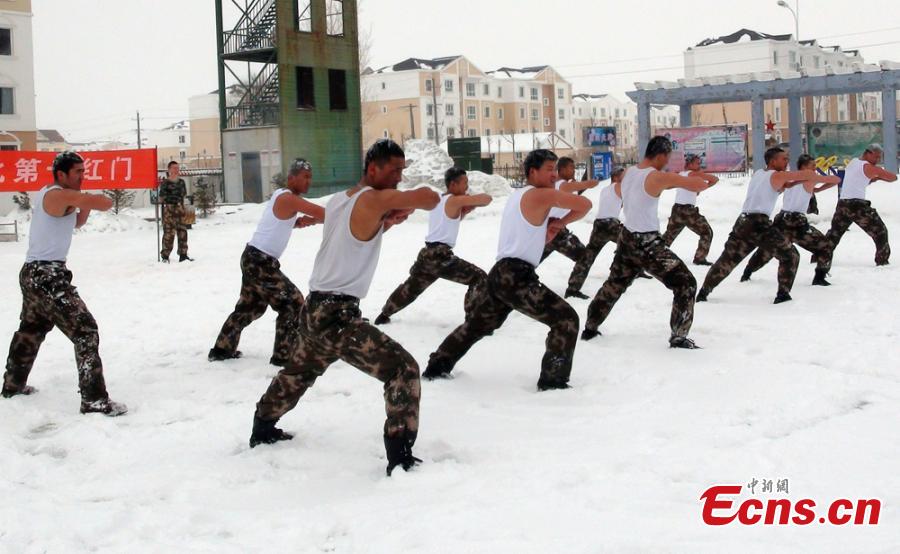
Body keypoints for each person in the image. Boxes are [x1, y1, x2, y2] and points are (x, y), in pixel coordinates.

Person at [249, 140, 440, 477]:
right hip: (336, 315)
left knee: (299, 373)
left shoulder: (341, 200)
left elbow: (357, 231)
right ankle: (400, 456)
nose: (398, 177)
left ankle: (263, 425)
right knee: (402, 370)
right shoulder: (372, 197)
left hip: (315, 309)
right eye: (393, 170)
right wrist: (403, 202)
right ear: (372, 169)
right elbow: (429, 197)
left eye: (401, 170)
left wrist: (389, 218)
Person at [422, 149, 591, 390]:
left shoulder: (519, 194)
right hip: (516, 276)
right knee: (566, 320)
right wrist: (560, 223)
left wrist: (551, 226)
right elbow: (585, 203)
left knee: (477, 326)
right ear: (533, 172)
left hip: (502, 273)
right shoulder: (540, 195)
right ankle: (553, 382)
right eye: (549, 170)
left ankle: (437, 365)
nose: (554, 175)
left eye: (556, 169)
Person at [2, 151, 126, 416]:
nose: (83, 176)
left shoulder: (61, 197)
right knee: (85, 329)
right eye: (78, 172)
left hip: (36, 273)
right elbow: (101, 203)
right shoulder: (56, 194)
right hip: (46, 275)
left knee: (32, 328)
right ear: (61, 174)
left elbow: (78, 221)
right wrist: (90, 198)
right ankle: (94, 399)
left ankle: (13, 385)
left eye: (84, 171)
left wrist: (85, 201)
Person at [581, 137, 715, 349]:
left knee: (615, 283)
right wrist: (695, 177)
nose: (668, 162)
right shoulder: (656, 176)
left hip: (626, 237)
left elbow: (648, 190)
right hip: (647, 243)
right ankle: (678, 336)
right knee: (685, 283)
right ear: (661, 155)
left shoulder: (629, 172)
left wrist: (671, 182)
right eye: (668, 157)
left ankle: (590, 326)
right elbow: (698, 184)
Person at [209, 159, 325, 365]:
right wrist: (349, 216)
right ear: (292, 178)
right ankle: (283, 355)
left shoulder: (284, 197)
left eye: (311, 178)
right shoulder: (289, 198)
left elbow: (286, 222)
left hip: (254, 258)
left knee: (251, 307)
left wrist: (301, 222)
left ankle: (221, 349)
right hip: (260, 261)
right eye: (305, 177)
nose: (309, 182)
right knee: (292, 302)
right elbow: (319, 211)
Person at [697, 147, 839, 304]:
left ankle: (703, 292)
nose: (786, 162)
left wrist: (800, 181)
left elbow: (786, 185)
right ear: (773, 161)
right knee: (790, 255)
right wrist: (819, 176)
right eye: (784, 159)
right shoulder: (777, 175)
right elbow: (802, 175)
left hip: (743, 222)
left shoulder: (759, 174)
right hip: (759, 224)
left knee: (727, 260)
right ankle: (783, 295)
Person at [374, 167, 492, 325]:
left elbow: (446, 224)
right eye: (465, 183)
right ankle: (473, 322)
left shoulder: (440, 201)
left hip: (428, 255)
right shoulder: (454, 200)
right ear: (453, 184)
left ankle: (384, 314)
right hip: (440, 256)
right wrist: (472, 200)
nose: (467, 187)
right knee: (479, 278)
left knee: (410, 289)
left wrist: (463, 211)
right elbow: (486, 199)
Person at [741, 154, 841, 285]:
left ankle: (747, 272)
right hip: (796, 222)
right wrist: (819, 186)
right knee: (826, 246)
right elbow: (836, 180)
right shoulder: (810, 177)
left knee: (767, 250)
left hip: (782, 219)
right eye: (813, 166)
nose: (815, 169)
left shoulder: (789, 176)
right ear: (804, 166)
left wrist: (816, 189)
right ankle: (819, 277)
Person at [825, 144, 898, 267]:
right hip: (857, 206)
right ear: (868, 153)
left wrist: (871, 179)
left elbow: (856, 180)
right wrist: (879, 177)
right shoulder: (868, 167)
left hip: (843, 203)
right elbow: (893, 177)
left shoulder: (853, 162)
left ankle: (819, 256)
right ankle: (882, 261)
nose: (878, 160)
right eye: (876, 157)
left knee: (834, 234)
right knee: (880, 231)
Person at [564, 166, 625, 299]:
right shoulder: (618, 186)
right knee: (632, 244)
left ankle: (573, 288)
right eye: (623, 175)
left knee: (588, 256)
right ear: (615, 177)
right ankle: (629, 270)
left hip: (599, 225)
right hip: (611, 224)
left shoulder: (604, 189)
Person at [538, 157, 598, 266]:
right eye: (571, 167)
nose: (574, 170)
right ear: (562, 169)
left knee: (532, 261)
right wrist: (589, 183)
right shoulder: (561, 184)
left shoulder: (557, 184)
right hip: (553, 228)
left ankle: (516, 280)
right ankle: (574, 283)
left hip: (548, 227)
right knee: (584, 257)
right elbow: (575, 187)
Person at [662, 153, 718, 265]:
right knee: (706, 232)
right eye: (697, 163)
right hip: (688, 211)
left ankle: (651, 256)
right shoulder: (693, 174)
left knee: (668, 237)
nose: (700, 165)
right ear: (690, 163)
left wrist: (698, 188)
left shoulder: (681, 174)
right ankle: (700, 258)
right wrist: (702, 185)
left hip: (677, 209)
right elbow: (714, 179)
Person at [159, 161, 192, 262]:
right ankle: (165, 256)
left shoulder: (181, 182)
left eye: (177, 168)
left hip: (180, 209)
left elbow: (184, 195)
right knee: (169, 233)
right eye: (174, 168)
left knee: (182, 232)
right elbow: (161, 198)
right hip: (169, 210)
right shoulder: (165, 183)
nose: (176, 170)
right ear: (169, 170)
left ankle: (183, 254)